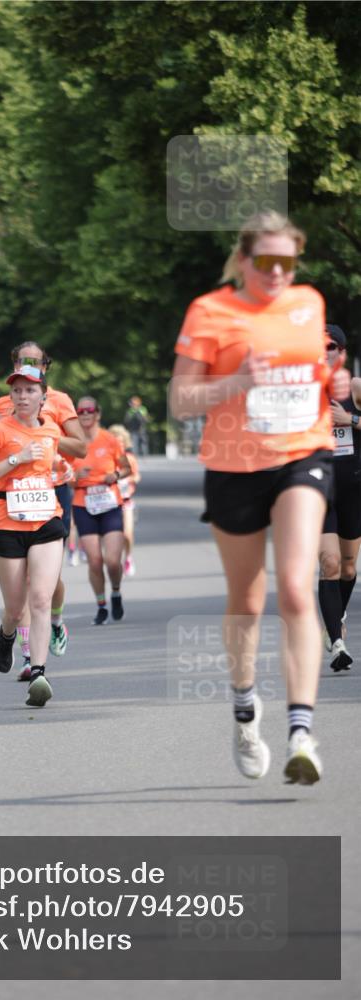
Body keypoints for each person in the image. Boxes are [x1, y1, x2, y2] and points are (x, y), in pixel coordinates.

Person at [170, 210, 350, 786]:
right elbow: (181, 400)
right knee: (247, 600)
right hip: (232, 464)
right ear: (244, 260)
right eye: (266, 261)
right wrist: (236, 382)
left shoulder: (309, 304)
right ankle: (246, 709)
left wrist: (332, 384)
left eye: (287, 262)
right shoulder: (211, 311)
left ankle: (302, 732)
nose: (277, 272)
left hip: (302, 453)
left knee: (298, 586)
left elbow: (313, 374)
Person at [0, 365, 66, 707]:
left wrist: (60, 470)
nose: (23, 396)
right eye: (17, 391)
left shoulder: (52, 430)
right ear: (11, 396)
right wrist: (17, 457)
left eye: (30, 391)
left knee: (41, 598)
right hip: (6, 524)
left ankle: (39, 673)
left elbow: (47, 465)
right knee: (15, 608)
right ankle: (7, 635)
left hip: (45, 520)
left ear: (43, 396)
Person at [0, 341, 86, 679]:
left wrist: (46, 437)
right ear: (15, 363)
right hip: (14, 493)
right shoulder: (4, 402)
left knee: (49, 581)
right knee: (25, 583)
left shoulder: (59, 401)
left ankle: (57, 621)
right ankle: (29, 656)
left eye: (36, 361)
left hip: (51, 488)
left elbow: (81, 446)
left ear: (46, 366)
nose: (30, 364)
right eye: (23, 360)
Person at [318, 323, 361, 672]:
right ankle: (336, 642)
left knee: (348, 567)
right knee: (329, 564)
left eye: (332, 346)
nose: (325, 350)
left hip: (353, 488)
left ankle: (338, 614)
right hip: (319, 489)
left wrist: (351, 419)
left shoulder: (356, 388)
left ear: (341, 352)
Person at [71, 397, 130, 624]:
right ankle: (101, 605)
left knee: (113, 561)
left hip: (110, 504)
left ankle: (115, 592)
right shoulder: (72, 444)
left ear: (98, 414)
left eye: (90, 410)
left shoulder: (111, 440)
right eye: (81, 411)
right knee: (95, 561)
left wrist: (114, 476)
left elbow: (125, 468)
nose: (85, 414)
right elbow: (64, 478)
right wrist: (75, 478)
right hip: (83, 505)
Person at [108, 424, 141, 577]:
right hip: (109, 502)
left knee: (127, 534)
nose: (119, 444)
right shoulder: (106, 459)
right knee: (111, 537)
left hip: (126, 501)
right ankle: (113, 561)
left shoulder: (130, 459)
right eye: (115, 441)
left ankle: (128, 557)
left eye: (121, 442)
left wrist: (128, 479)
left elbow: (137, 476)